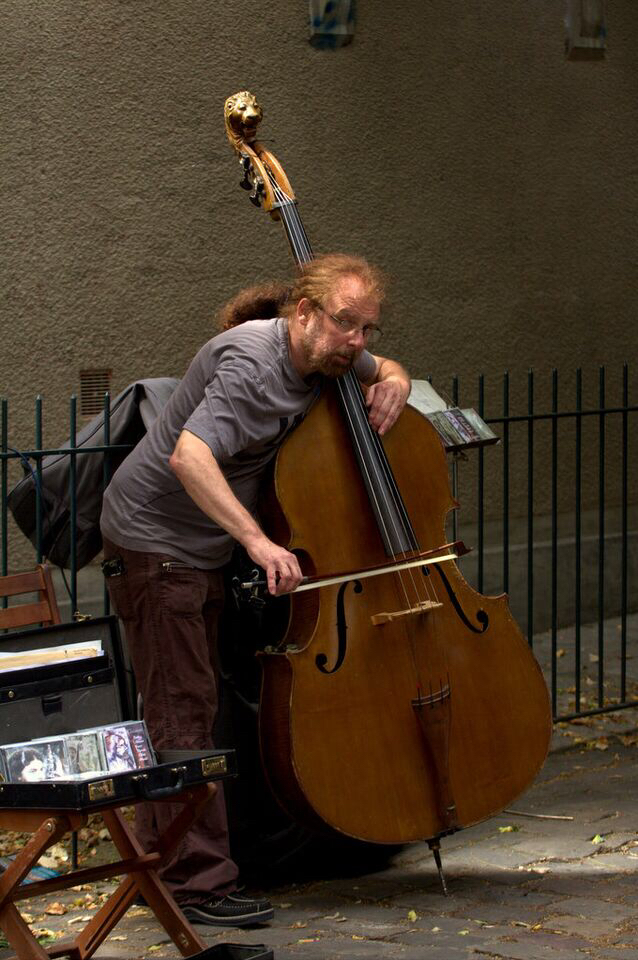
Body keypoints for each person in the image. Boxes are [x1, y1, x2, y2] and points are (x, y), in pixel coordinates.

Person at [99, 253, 411, 927]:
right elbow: (190, 456)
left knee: (191, 705)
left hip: (199, 544)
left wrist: (395, 377)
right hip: (156, 541)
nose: (358, 342)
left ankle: (168, 865)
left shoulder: (328, 353)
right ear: (305, 313)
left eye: (369, 329)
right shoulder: (251, 366)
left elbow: (380, 369)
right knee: (183, 712)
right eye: (347, 325)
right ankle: (198, 887)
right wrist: (258, 541)